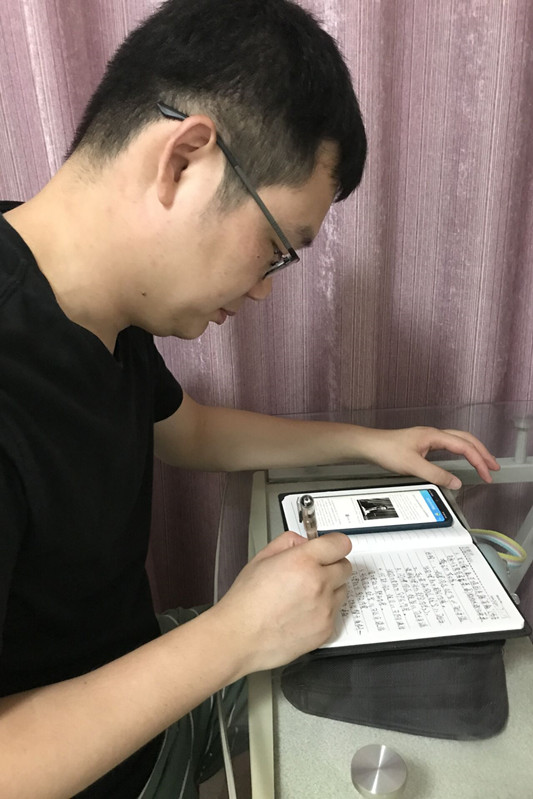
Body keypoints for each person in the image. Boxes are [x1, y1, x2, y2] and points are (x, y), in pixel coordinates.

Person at [0, 0, 499, 796]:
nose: (263, 291)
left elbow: (186, 429)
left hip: (139, 669)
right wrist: (233, 635)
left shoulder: (88, 294)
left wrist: (365, 442)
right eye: (274, 247)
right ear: (184, 159)